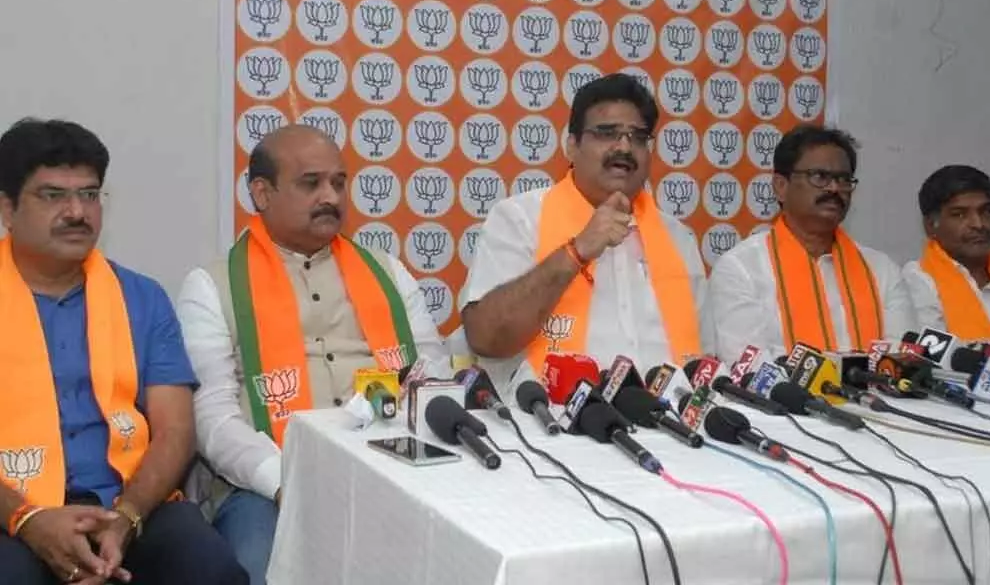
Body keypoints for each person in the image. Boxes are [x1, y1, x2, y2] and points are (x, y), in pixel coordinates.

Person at [175, 125, 445, 584]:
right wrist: (287, 480)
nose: (331, 196)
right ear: (262, 193)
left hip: (393, 465)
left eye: (338, 183)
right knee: (261, 567)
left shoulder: (388, 274)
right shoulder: (210, 287)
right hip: (267, 484)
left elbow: (433, 377)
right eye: (311, 183)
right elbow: (211, 419)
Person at [0, 119, 246, 584]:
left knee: (210, 568)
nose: (77, 211)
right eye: (53, 196)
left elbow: (175, 430)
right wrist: (28, 520)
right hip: (11, 515)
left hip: (130, 506)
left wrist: (128, 516)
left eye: (90, 195)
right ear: (8, 209)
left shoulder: (141, 297)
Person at [461, 73, 705, 391]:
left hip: (668, 428)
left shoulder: (678, 239)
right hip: (548, 428)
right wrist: (576, 252)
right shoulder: (518, 220)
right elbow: (486, 338)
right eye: (607, 133)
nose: (624, 147)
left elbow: (702, 360)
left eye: (638, 137)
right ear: (572, 146)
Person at [703, 126, 914, 363]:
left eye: (843, 179)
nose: (834, 188)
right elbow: (747, 366)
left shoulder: (881, 270)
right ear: (781, 186)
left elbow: (901, 358)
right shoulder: (741, 269)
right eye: (819, 177)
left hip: (877, 399)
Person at [903, 165, 990, 348]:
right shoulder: (917, 281)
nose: (979, 224)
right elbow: (934, 361)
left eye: (985, 211)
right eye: (960, 215)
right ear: (931, 226)